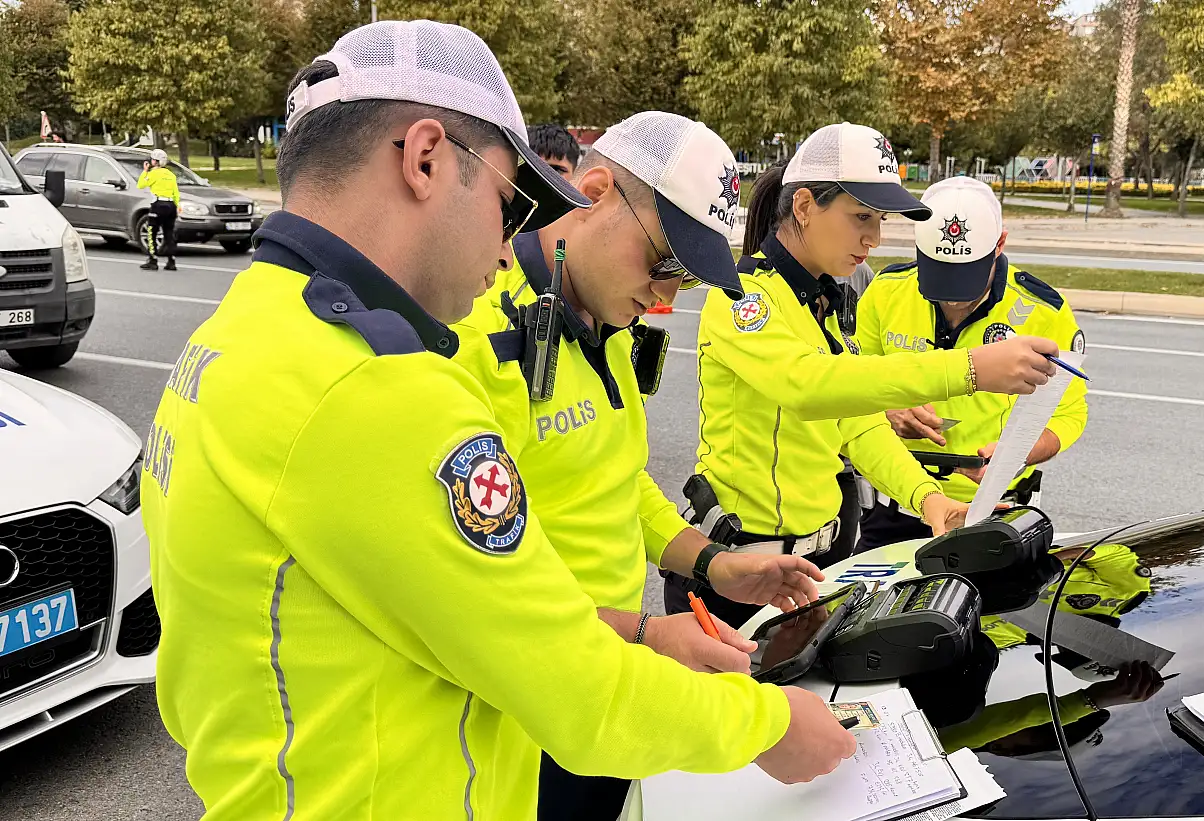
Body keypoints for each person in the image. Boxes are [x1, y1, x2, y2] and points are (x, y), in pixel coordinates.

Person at [141, 21, 857, 821]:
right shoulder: (374, 385)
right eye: (509, 198)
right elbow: (576, 692)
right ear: (423, 158)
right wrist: (769, 724)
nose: (512, 233)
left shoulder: (237, 337)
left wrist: (685, 590)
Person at [453, 110, 829, 821]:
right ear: (595, 191)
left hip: (617, 681)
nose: (664, 297)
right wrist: (647, 634)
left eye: (683, 278)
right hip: (527, 708)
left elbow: (615, 479)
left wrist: (715, 562)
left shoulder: (607, 323)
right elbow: (476, 597)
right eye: (661, 262)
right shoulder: (477, 332)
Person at [663, 122, 1064, 628]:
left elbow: (858, 422)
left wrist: (928, 497)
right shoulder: (743, 296)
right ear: (805, 207)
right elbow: (808, 386)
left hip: (820, 564)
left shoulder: (823, 303)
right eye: (861, 218)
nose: (873, 239)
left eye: (879, 221)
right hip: (737, 568)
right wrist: (969, 369)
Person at [853, 176, 1089, 551]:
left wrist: (1017, 453)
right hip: (894, 508)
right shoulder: (885, 293)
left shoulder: (1045, 312)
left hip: (992, 513)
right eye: (939, 275)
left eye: (965, 280)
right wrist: (887, 410)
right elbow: (848, 388)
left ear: (999, 245)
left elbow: (1069, 414)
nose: (952, 300)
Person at [137, 148, 181, 271]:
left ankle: (153, 260)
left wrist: (145, 171)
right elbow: (176, 192)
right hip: (171, 205)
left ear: (156, 162)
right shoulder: (170, 175)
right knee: (169, 233)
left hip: (158, 205)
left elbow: (141, 185)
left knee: (152, 232)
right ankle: (171, 261)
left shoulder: (153, 174)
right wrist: (177, 206)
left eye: (152, 160)